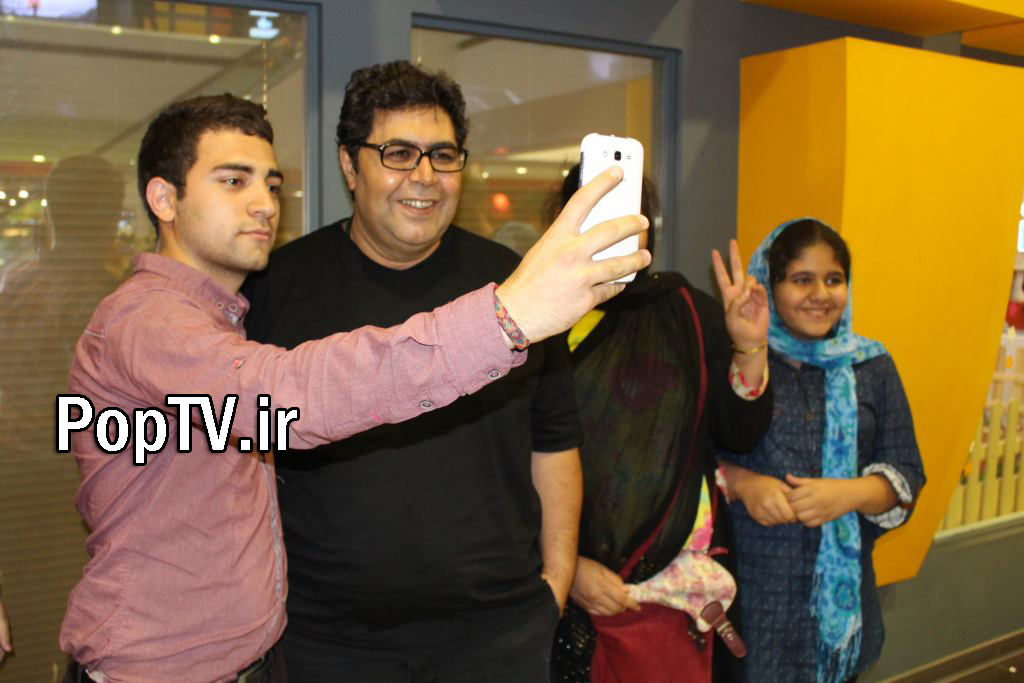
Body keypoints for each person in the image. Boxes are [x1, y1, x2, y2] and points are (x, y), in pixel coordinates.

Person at [58, 93, 649, 683]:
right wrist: (506, 317)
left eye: (271, 183)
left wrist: (553, 584)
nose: (264, 203)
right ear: (164, 199)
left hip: (268, 658)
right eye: (234, 181)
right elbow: (285, 400)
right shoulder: (150, 319)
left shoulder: (218, 318)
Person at [242, 60, 582, 683]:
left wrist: (554, 588)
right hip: (326, 643)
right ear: (350, 166)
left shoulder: (515, 289)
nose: (424, 176)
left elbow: (555, 444)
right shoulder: (274, 289)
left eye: (442, 156)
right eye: (398, 154)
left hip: (498, 637)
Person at [551, 166, 773, 683]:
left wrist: (748, 346)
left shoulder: (687, 312)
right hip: (569, 593)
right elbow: (513, 466)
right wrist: (568, 567)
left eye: (625, 214)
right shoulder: (537, 320)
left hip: (681, 593)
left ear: (647, 225)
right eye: (593, 214)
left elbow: (737, 434)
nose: (611, 231)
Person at [718, 218, 925, 683]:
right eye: (801, 280)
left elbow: (907, 472)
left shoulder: (872, 366)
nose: (820, 294)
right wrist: (743, 484)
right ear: (769, 286)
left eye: (834, 280)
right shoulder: (740, 358)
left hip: (842, 617)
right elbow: (691, 459)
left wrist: (849, 494)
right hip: (752, 602)